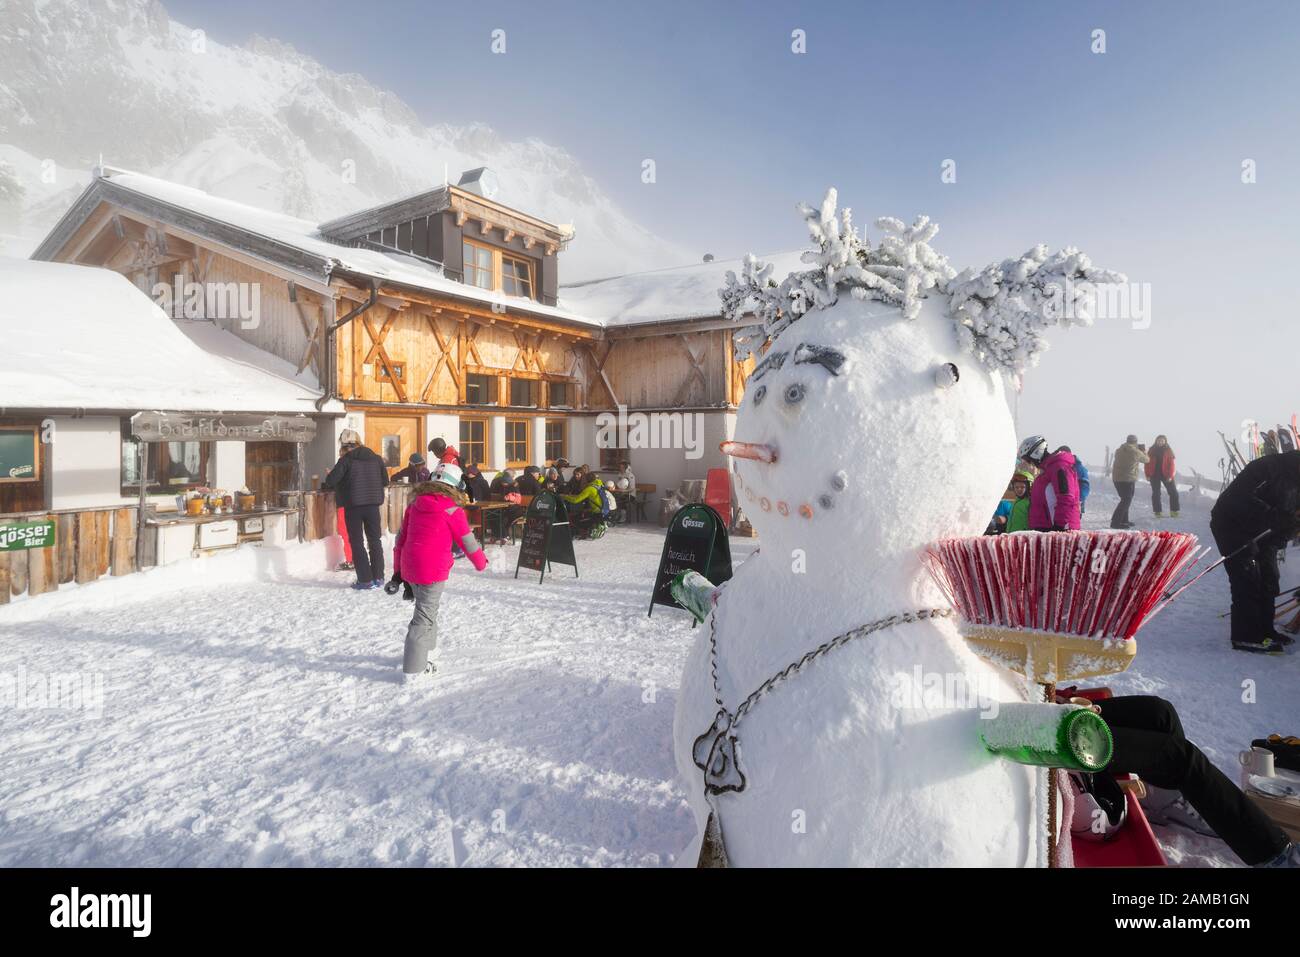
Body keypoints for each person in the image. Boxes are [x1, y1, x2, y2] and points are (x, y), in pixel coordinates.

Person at [1060, 692, 1296, 867]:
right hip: (1053, 738)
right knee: (1180, 756)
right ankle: (1275, 856)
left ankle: (1163, 801)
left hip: (1048, 711)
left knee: (1161, 713)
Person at [388, 463, 488, 681]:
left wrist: (398, 571)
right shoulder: (452, 510)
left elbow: (400, 540)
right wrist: (481, 563)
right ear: (456, 486)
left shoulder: (414, 505)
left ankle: (428, 651)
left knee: (428, 610)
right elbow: (467, 541)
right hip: (432, 570)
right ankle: (414, 670)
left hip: (410, 567)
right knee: (423, 617)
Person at [1210, 449, 1300, 653]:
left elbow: (1291, 516)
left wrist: (1288, 528)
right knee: (1248, 577)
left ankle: (1265, 631)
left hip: (1267, 531)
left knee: (1269, 577)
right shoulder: (1270, 467)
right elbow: (1237, 499)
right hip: (1232, 524)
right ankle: (1246, 636)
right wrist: (1275, 516)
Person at [323, 429, 389, 589]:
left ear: (345, 446)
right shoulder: (376, 459)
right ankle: (378, 577)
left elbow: (330, 481)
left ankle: (365, 580)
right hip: (373, 505)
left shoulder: (346, 460)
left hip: (353, 506)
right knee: (375, 540)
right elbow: (385, 481)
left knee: (357, 542)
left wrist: (338, 477)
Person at [1020, 437, 1081, 531]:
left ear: (1036, 454)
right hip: (1046, 528)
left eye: (1028, 460)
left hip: (1058, 529)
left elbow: (1066, 496)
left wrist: (1059, 526)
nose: (1030, 463)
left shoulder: (1059, 467)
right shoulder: (1047, 470)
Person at [1110, 434, 1148, 529]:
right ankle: (1115, 522)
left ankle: (1124, 521)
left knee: (1125, 499)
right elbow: (1147, 460)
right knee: (1126, 500)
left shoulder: (1119, 450)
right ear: (1135, 442)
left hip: (1117, 479)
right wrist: (1143, 451)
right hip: (1128, 480)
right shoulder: (1136, 452)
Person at [562, 471, 610, 538]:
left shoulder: (590, 489)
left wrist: (564, 496)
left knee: (577, 521)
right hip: (605, 511)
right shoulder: (599, 484)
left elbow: (575, 500)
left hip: (597, 512)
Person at [1145, 435, 1179, 518]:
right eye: (1159, 440)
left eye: (1162, 441)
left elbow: (1172, 465)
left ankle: (1174, 511)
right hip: (1154, 475)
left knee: (1173, 493)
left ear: (1165, 442)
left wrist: (1170, 476)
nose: (1160, 442)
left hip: (1166, 474)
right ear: (1156, 441)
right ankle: (1158, 512)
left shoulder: (1168, 451)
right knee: (1156, 494)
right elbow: (1147, 464)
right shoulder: (1151, 450)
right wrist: (1147, 474)